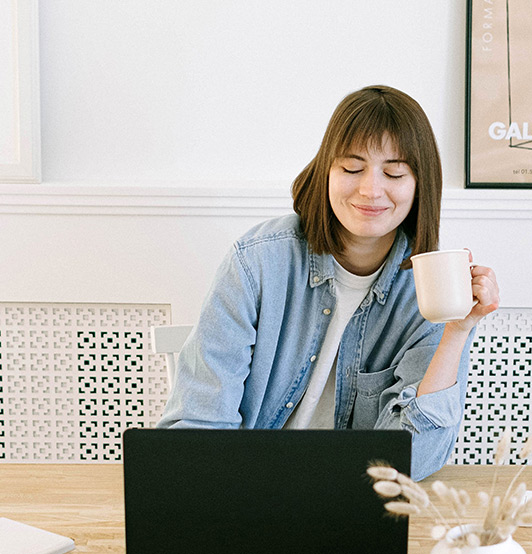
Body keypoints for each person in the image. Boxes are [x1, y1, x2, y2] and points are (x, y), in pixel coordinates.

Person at [158, 85, 500, 480]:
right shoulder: (258, 261)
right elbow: (197, 429)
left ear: (420, 184)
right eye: (352, 168)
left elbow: (412, 461)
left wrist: (456, 331)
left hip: (353, 499)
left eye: (394, 172)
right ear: (326, 172)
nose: (371, 190)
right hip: (247, 486)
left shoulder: (434, 288)